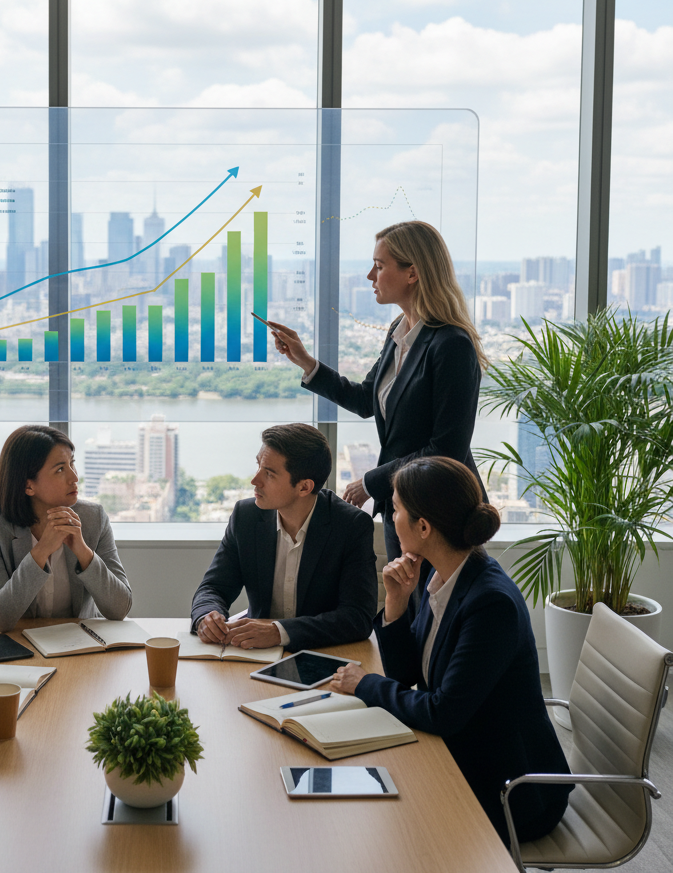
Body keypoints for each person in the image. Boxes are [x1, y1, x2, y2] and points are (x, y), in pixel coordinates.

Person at [328, 456, 571, 845]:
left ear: (423, 527)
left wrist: (364, 684)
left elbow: (442, 712)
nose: (391, 518)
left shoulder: (490, 603)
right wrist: (396, 603)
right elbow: (408, 676)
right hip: (461, 753)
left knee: (372, 825)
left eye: (396, 509)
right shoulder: (443, 574)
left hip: (512, 791)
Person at [267, 220, 487, 563]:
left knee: (437, 598)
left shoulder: (451, 345)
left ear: (412, 273)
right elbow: (365, 400)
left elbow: (447, 449)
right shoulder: (399, 331)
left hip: (441, 512)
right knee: (406, 595)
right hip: (403, 508)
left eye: (380, 266)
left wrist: (372, 483)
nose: (371, 275)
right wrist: (306, 362)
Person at [190, 423, 377, 651]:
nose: (254, 480)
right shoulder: (245, 516)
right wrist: (208, 616)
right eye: (258, 466)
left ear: (304, 487)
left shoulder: (351, 526)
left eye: (269, 474)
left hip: (323, 652)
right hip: (257, 653)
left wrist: (279, 632)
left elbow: (358, 617)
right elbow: (213, 588)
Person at [0, 425, 132, 631]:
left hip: (80, 642)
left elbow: (120, 609)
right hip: (18, 642)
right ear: (28, 486)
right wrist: (41, 551)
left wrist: (83, 551)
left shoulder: (94, 518)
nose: (74, 478)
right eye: (60, 469)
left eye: (72, 464)